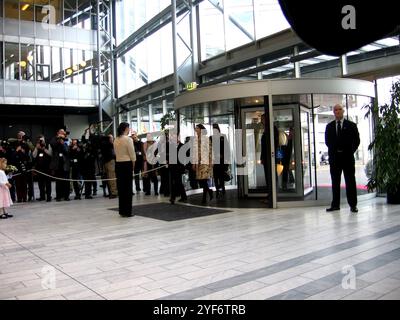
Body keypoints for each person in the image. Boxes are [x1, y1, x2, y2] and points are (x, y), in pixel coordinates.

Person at [325, 103, 360, 213]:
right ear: (333, 112)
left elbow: (356, 141)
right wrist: (335, 152)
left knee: (350, 182)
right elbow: (327, 142)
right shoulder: (329, 126)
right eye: (336, 110)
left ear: (343, 111)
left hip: (348, 159)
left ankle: (353, 205)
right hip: (335, 159)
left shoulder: (351, 125)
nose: (338, 111)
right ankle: (335, 205)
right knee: (335, 182)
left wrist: (350, 151)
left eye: (340, 109)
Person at [114, 122, 136, 217]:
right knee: (128, 189)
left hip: (118, 164)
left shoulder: (116, 139)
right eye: (128, 128)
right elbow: (132, 154)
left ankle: (122, 210)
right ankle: (128, 211)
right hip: (127, 164)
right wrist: (133, 164)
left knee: (121, 188)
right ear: (125, 128)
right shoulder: (128, 139)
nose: (129, 129)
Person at [193, 124, 213, 204]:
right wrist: (194, 163)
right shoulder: (195, 139)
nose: (196, 129)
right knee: (200, 180)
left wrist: (211, 161)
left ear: (201, 129)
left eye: (197, 128)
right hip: (198, 162)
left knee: (204, 180)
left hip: (205, 162)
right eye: (196, 128)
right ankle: (209, 191)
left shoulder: (206, 139)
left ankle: (204, 198)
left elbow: (210, 150)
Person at [49, 129, 70, 201]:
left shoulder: (66, 140)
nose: (62, 133)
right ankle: (59, 196)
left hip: (65, 164)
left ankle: (66, 196)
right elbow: (52, 145)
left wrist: (62, 143)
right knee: (58, 181)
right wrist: (58, 138)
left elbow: (67, 151)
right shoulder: (54, 139)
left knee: (66, 181)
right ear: (58, 133)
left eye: (63, 132)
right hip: (57, 164)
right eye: (61, 132)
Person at [211, 123, 230, 199]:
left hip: (222, 160)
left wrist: (226, 158)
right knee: (215, 176)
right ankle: (217, 189)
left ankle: (222, 188)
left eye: (216, 129)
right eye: (213, 129)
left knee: (221, 175)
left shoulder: (223, 137)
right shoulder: (211, 138)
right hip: (214, 160)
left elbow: (227, 148)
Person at [32, 135, 52, 202]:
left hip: (47, 168)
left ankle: (49, 196)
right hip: (39, 168)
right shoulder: (37, 146)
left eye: (42, 140)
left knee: (48, 183)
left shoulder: (48, 145)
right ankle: (42, 196)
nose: (41, 141)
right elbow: (34, 156)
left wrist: (44, 149)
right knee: (40, 183)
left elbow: (51, 154)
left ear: (44, 140)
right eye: (40, 140)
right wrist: (36, 148)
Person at [168, 132, 187, 204]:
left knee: (177, 182)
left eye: (175, 137)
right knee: (176, 183)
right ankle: (183, 196)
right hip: (172, 167)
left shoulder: (183, 146)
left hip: (179, 167)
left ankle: (173, 198)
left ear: (178, 138)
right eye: (172, 138)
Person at [101, 134, 118, 199]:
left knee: (112, 177)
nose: (110, 139)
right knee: (108, 178)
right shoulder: (105, 144)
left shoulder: (112, 145)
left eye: (111, 138)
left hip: (111, 161)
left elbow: (114, 154)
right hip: (106, 161)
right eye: (109, 138)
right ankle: (111, 192)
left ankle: (114, 193)